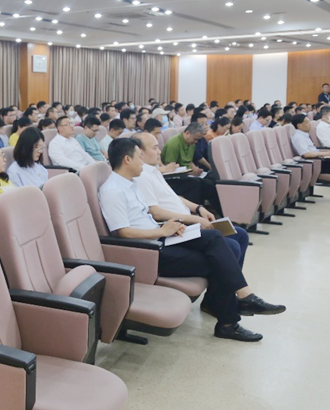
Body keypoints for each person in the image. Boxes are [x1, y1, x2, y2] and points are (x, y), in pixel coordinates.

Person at [99, 138, 284, 342]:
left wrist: (169, 228)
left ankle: (238, 306)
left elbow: (145, 218)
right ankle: (232, 316)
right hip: (150, 252)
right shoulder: (112, 191)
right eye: (139, 157)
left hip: (160, 237)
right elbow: (123, 232)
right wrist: (162, 231)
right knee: (222, 257)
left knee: (217, 238)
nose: (142, 161)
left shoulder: (131, 184)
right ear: (127, 159)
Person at [133, 133, 248, 265]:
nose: (159, 152)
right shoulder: (141, 176)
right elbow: (155, 212)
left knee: (241, 235)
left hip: (187, 221)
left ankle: (229, 277)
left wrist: (199, 208)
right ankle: (227, 277)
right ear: (140, 152)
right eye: (155, 148)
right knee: (232, 246)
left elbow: (173, 196)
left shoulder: (153, 171)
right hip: (178, 228)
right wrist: (194, 219)